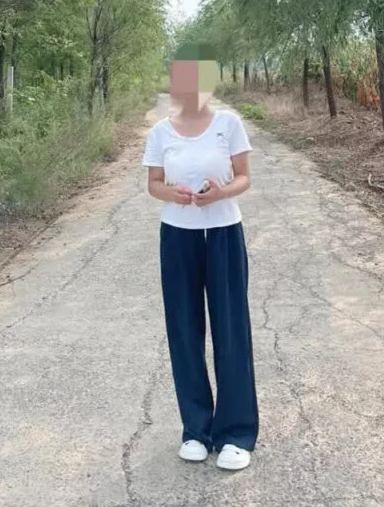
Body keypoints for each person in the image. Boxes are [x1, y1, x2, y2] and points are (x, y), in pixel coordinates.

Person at [141, 40, 259, 471]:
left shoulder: (228, 124)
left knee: (231, 329)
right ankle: (196, 430)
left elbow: (244, 178)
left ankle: (235, 434)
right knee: (184, 332)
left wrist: (220, 193)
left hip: (224, 232)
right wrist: (172, 193)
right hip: (178, 237)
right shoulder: (161, 132)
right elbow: (154, 185)